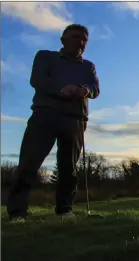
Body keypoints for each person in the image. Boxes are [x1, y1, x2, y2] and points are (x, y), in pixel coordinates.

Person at [6, 24, 100, 222]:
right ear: (63, 40)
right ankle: (17, 211)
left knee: (68, 168)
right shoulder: (45, 57)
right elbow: (37, 80)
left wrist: (84, 89)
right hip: (45, 116)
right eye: (75, 37)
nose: (80, 41)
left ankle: (65, 210)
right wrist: (61, 89)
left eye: (84, 39)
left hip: (74, 119)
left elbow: (95, 88)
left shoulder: (88, 66)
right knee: (29, 163)